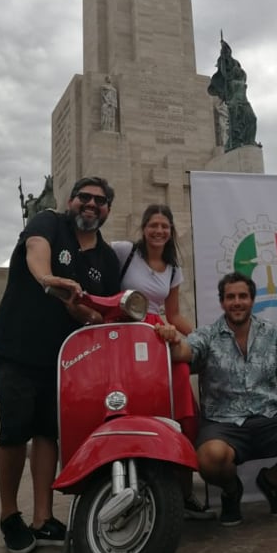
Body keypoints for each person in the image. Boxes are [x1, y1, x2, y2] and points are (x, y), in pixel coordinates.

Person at [0, 176, 121, 553]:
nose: (91, 204)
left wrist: (86, 315)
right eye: (84, 197)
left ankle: (42, 518)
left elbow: (102, 312)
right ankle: (9, 515)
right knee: (14, 432)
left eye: (100, 200)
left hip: (65, 361)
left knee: (48, 434)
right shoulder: (48, 222)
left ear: (107, 209)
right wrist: (47, 277)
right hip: (19, 348)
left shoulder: (107, 258)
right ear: (70, 200)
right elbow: (35, 250)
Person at [155, 272, 277, 527]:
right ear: (222, 302)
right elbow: (183, 352)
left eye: (242, 296)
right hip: (223, 424)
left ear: (252, 300)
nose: (237, 302)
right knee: (208, 459)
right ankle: (231, 492)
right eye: (230, 297)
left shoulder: (272, 332)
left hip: (272, 418)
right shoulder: (207, 335)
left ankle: (271, 482)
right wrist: (172, 339)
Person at [111, 204, 214, 520]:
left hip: (160, 336)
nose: (159, 231)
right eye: (153, 225)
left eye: (164, 226)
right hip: (127, 334)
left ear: (171, 232)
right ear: (144, 228)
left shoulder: (172, 269)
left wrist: (205, 336)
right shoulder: (124, 252)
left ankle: (184, 491)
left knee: (181, 404)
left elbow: (173, 314)